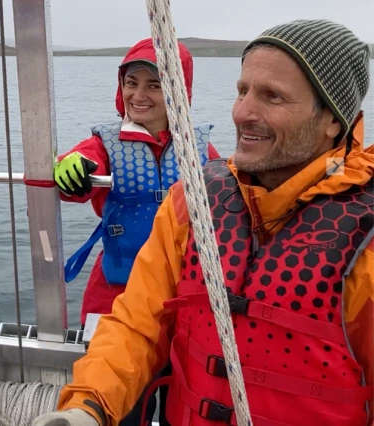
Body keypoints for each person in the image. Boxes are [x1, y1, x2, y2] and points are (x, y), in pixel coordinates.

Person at [34, 19, 374, 426]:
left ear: (332, 120)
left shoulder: (365, 241)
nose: (242, 112)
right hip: (114, 288)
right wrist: (88, 406)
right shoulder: (192, 202)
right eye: (242, 90)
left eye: (273, 97)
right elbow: (136, 324)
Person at [54, 38, 220, 330]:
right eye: (131, 83)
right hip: (115, 290)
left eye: (154, 85)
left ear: (178, 91)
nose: (139, 95)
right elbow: (82, 166)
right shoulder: (105, 144)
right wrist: (70, 167)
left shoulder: (200, 149)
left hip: (182, 289)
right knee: (107, 365)